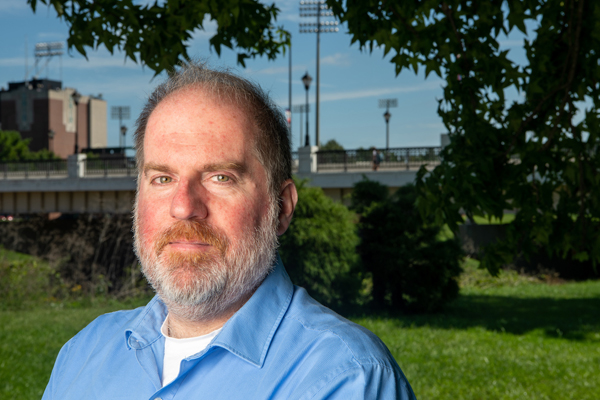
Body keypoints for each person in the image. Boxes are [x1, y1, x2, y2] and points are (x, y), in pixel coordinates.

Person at [42, 61, 417, 400]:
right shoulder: (82, 353)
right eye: (162, 178)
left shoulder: (347, 378)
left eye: (220, 177)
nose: (184, 207)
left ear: (281, 208)